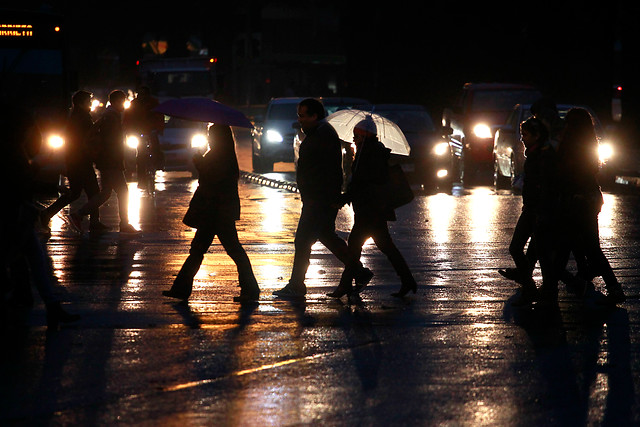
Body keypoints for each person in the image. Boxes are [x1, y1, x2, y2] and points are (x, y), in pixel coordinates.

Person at [273, 98, 372, 298]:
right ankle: (359, 272)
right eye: (299, 115)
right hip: (317, 199)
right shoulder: (318, 134)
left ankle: (296, 285)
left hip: (318, 200)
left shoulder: (322, 135)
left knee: (302, 240)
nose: (299, 120)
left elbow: (329, 172)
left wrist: (327, 197)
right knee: (326, 236)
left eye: (303, 116)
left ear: (314, 116)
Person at [1, 101, 80, 328]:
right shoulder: (12, 152)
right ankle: (51, 307)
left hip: (18, 215)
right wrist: (41, 171)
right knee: (29, 261)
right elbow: (19, 182)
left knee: (35, 261)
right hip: (14, 216)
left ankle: (52, 306)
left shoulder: (13, 150)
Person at [162, 124, 259, 302]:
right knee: (199, 249)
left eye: (210, 135)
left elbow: (212, 178)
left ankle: (251, 289)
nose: (208, 138)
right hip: (215, 211)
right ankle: (181, 288)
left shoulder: (220, 156)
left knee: (230, 250)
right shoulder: (222, 154)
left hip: (217, 211)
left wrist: (200, 162)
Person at [327, 117, 416, 299]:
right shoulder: (366, 152)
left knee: (355, 246)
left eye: (357, 135)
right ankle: (407, 281)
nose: (354, 139)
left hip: (370, 211)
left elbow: (363, 184)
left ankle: (345, 285)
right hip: (372, 210)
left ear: (365, 135)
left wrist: (344, 198)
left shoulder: (370, 154)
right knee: (385, 246)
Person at [554, 108, 625, 305]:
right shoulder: (589, 144)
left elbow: (564, 174)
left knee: (568, 247)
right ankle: (600, 281)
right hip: (590, 198)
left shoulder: (569, 145)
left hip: (575, 200)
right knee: (589, 245)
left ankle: (588, 283)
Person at [69, 90, 138, 233]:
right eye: (122, 101)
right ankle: (124, 224)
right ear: (117, 102)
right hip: (111, 162)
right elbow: (111, 142)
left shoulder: (110, 116)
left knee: (106, 193)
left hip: (107, 161)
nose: (124, 105)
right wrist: (119, 160)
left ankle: (79, 214)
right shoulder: (111, 117)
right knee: (122, 192)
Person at [40, 90, 108, 232]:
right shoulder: (82, 118)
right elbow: (88, 138)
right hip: (81, 160)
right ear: (82, 103)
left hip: (76, 160)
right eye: (88, 101)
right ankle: (94, 223)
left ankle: (47, 213)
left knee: (77, 192)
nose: (90, 104)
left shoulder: (77, 116)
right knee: (93, 192)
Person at [498, 117, 549, 305]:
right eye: (521, 135)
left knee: (519, 248)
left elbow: (542, 184)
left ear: (537, 135)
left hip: (536, 209)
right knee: (533, 251)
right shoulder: (535, 154)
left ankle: (529, 285)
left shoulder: (541, 157)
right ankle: (528, 283)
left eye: (525, 135)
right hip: (532, 208)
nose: (522, 139)